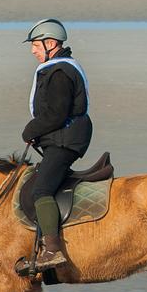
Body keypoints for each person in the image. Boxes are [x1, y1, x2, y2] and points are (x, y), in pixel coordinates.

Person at [21, 18, 93, 272]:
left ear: (51, 43)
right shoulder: (56, 68)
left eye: (36, 45)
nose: (33, 50)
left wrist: (31, 130)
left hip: (65, 139)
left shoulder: (60, 72)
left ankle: (52, 250)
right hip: (61, 138)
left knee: (41, 191)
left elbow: (56, 114)